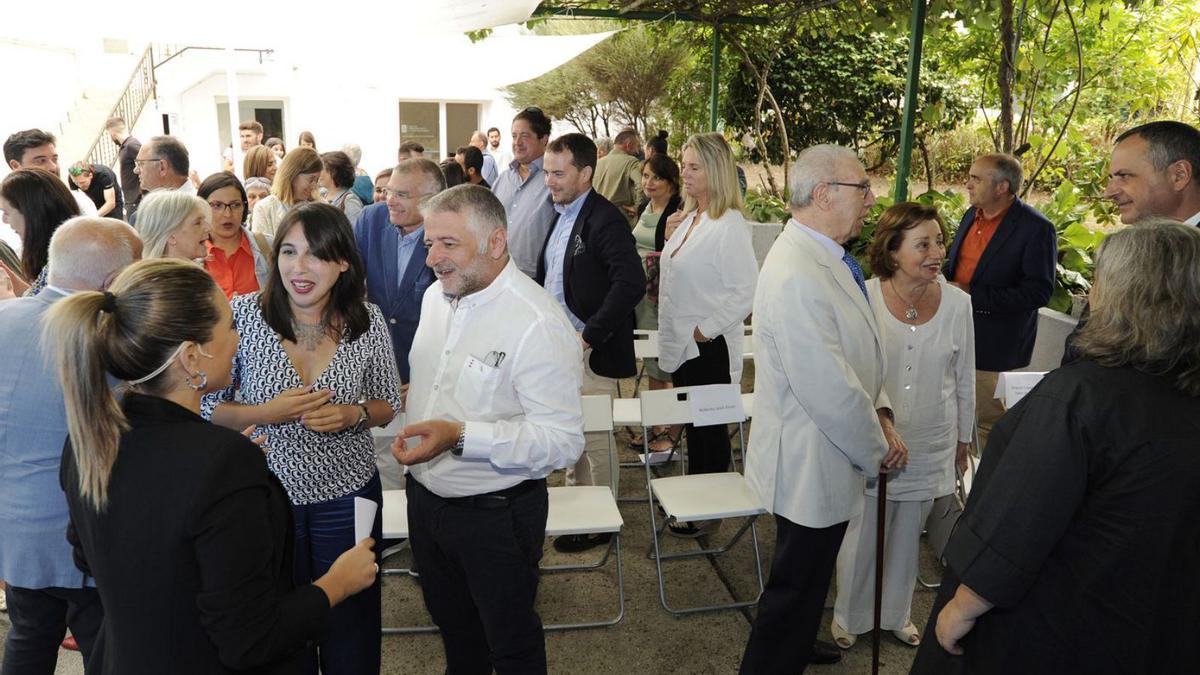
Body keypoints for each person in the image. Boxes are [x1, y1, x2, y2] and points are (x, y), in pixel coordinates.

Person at [47, 257, 378, 674]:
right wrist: (336, 584)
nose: (238, 340)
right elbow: (252, 639)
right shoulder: (223, 463)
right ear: (191, 357)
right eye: (229, 328)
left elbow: (90, 555)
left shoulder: (90, 440)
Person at [911, 222, 1200, 675]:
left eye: (1098, 280)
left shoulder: (1079, 397)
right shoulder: (1181, 390)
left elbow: (1020, 521)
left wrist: (961, 608)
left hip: (1056, 621)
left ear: (1123, 294)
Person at [392, 184, 584, 674]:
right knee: (455, 631)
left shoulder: (536, 322)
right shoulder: (439, 297)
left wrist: (460, 436)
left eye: (448, 244)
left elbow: (562, 441)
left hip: (495, 516)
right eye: (430, 242)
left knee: (511, 642)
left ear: (496, 243)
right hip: (427, 504)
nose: (432, 257)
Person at [204, 204, 402, 674]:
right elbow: (206, 405)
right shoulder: (244, 315)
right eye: (288, 252)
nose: (298, 267)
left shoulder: (366, 321)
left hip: (349, 494)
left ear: (342, 263)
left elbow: (388, 401)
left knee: (350, 616)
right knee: (277, 618)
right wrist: (265, 413)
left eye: (316, 255)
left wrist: (353, 414)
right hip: (266, 498)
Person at [740, 144, 900, 673]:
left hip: (826, 452)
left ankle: (801, 638)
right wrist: (877, 448)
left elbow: (858, 352)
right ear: (825, 193)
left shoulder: (823, 256)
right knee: (794, 586)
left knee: (807, 579)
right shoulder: (797, 273)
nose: (871, 200)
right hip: (810, 457)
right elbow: (828, 387)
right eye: (862, 188)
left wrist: (879, 410)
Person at [830, 203, 974, 650]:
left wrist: (964, 439)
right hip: (873, 434)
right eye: (923, 244)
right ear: (893, 251)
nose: (937, 253)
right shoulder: (865, 296)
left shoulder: (957, 303)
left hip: (933, 435)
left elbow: (964, 375)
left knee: (910, 531)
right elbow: (852, 369)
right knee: (863, 529)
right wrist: (877, 423)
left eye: (939, 242)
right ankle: (849, 615)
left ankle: (895, 612)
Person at [0, 217, 141, 673]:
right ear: (113, 281)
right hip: (82, 532)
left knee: (28, 638)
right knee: (109, 648)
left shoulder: (5, 317)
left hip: (14, 529)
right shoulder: (104, 336)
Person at [536, 133, 644, 553]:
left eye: (558, 173)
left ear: (585, 173)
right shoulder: (561, 212)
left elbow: (631, 281)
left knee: (595, 439)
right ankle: (580, 511)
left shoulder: (605, 218)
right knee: (572, 435)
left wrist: (589, 335)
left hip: (588, 352)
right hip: (561, 349)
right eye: (547, 172)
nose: (550, 181)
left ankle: (601, 519)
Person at [656, 132, 757, 537]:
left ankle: (706, 510)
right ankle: (697, 501)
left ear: (716, 171)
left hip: (707, 348)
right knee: (695, 428)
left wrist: (704, 330)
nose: (686, 173)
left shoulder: (729, 225)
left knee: (708, 433)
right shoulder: (692, 217)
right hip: (687, 346)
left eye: (694, 166)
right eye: (685, 165)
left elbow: (745, 290)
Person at [1062, 121, 1200, 365]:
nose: (1108, 192)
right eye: (1111, 178)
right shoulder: (1126, 251)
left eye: (1124, 176)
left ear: (1179, 175)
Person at [944, 153, 1055, 454]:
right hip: (954, 332)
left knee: (986, 424)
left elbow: (1038, 293)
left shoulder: (1036, 228)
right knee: (953, 417)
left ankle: (991, 490)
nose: (967, 184)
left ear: (1002, 187)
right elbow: (957, 266)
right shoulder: (972, 214)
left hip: (993, 346)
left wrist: (971, 293)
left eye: (976, 179)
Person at [353, 158, 446, 490]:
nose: (389, 200)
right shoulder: (369, 220)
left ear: (431, 200)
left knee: (428, 456)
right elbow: (350, 286)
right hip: (377, 367)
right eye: (390, 191)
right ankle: (391, 536)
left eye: (402, 194)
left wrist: (425, 376)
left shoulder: (448, 234)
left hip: (430, 371)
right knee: (384, 457)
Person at [631, 153, 683, 451]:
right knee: (652, 365)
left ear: (671, 182)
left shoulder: (679, 211)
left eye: (656, 177)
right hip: (643, 298)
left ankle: (672, 434)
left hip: (665, 298)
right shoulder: (644, 207)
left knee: (670, 366)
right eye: (645, 176)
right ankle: (656, 428)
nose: (648, 182)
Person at [492, 107, 557, 277]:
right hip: (498, 275)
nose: (517, 142)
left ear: (543, 139)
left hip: (537, 280)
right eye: (514, 136)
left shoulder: (555, 181)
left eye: (525, 136)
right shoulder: (502, 180)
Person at [0, 169, 81, 296]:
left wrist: (7, 299)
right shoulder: (61, 252)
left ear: (30, 214)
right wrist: (7, 275)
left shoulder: (69, 263)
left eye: (6, 212)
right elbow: (36, 295)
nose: (4, 220)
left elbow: (43, 310)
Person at [199, 172, 273, 298]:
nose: (228, 214)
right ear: (201, 208)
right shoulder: (191, 257)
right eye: (217, 205)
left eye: (235, 205)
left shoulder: (267, 246)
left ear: (244, 208)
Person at [3, 129, 97, 216]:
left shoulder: (79, 203)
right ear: (15, 166)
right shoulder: (10, 213)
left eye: (54, 159)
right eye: (41, 161)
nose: (53, 167)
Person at [252, 147, 322, 237]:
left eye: (317, 180)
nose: (314, 186)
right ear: (292, 174)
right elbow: (261, 248)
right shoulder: (264, 208)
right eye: (311, 179)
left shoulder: (321, 206)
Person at [134, 190, 211, 261]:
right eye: (197, 223)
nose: (208, 228)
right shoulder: (160, 275)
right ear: (171, 236)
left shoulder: (196, 273)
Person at [593, 128, 644, 225]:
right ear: (628, 145)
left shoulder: (598, 163)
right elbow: (641, 185)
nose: (638, 151)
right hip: (620, 218)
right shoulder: (631, 161)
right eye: (637, 147)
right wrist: (637, 207)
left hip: (596, 216)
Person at [106, 117, 143, 222]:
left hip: (136, 201)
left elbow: (147, 165)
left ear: (112, 132)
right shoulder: (127, 146)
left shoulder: (131, 145)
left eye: (109, 134)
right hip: (132, 201)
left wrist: (140, 194)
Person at [320, 151, 365, 223]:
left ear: (333, 172)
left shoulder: (350, 201)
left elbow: (355, 232)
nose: (319, 173)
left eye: (322, 169)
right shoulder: (321, 194)